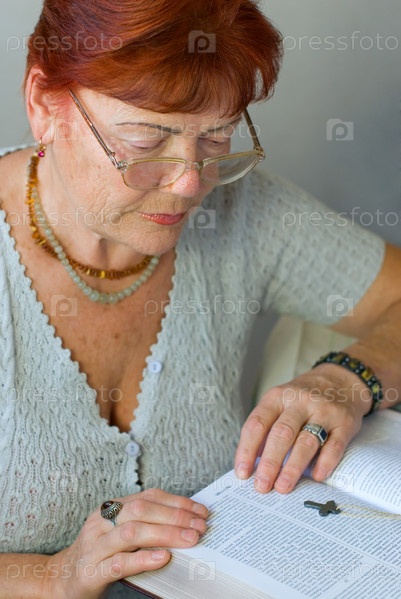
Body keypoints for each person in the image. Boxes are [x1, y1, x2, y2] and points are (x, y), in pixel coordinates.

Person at [1, 0, 400, 597]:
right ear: (43, 104)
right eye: (146, 137)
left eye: (215, 137)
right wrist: (51, 577)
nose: (190, 183)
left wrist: (348, 377)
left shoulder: (245, 212)